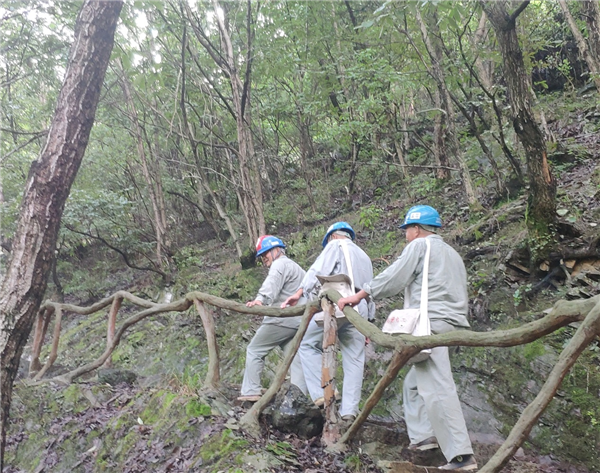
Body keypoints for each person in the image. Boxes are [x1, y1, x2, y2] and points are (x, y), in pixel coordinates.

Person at [338, 205, 477, 471]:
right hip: (453, 324)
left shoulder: (419, 247)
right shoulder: (452, 254)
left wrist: (360, 295)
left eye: (407, 229)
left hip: (430, 326)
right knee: (414, 385)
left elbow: (395, 276)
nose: (405, 234)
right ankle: (424, 437)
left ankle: (461, 456)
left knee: (437, 388)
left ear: (416, 229)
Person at [281, 222, 374, 421]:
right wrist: (369, 325)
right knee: (354, 358)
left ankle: (323, 393)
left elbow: (318, 271)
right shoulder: (365, 257)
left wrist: (299, 292)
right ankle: (349, 411)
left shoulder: (334, 246)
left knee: (307, 344)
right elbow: (371, 290)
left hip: (337, 302)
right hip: (360, 306)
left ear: (331, 237)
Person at [238, 235, 308, 402]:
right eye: (261, 256)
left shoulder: (279, 265)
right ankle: (299, 399)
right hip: (299, 321)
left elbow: (272, 282)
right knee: (294, 357)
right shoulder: (298, 268)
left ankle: (250, 391)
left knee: (254, 350)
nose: (264, 259)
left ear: (277, 250)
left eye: (265, 254)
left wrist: (260, 300)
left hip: (280, 319)